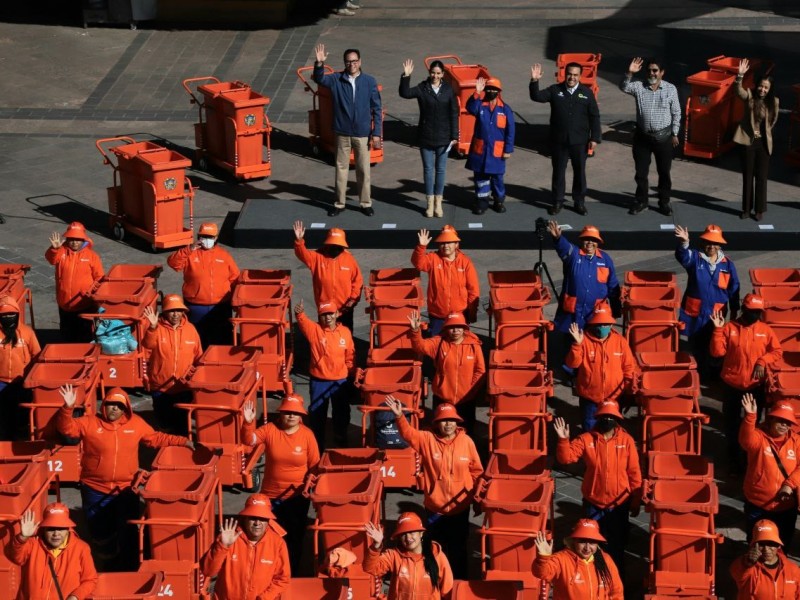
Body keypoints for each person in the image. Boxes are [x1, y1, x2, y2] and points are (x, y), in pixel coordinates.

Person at [56, 385, 194, 569]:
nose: (113, 408)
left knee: (128, 530)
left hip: (125, 489)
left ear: (125, 409)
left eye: (118, 406)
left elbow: (156, 438)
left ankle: (130, 567)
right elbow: (67, 429)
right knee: (100, 533)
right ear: (103, 405)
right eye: (110, 404)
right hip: (94, 489)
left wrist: (183, 441)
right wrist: (67, 408)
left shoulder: (136, 424)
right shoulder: (89, 423)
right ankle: (107, 562)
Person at [385, 397, 482, 579]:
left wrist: (474, 499)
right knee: (435, 549)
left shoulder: (467, 442)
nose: (448, 424)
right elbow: (408, 434)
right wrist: (399, 416)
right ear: (437, 423)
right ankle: (435, 584)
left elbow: (477, 472)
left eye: (452, 420)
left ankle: (459, 584)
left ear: (457, 422)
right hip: (435, 509)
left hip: (460, 509)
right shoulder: (427, 439)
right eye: (444, 420)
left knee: (459, 549)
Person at [554, 400, 642, 574]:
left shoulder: (627, 441)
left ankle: (616, 578)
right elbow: (566, 458)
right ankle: (592, 577)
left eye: (611, 416)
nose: (607, 419)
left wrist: (636, 501)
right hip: (594, 503)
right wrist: (563, 439)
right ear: (597, 418)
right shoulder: (586, 439)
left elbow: (634, 473)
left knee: (617, 545)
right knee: (589, 546)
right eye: (604, 416)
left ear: (617, 419)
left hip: (619, 504)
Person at [241, 394, 319, 574]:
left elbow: (315, 465)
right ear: (281, 413)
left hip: (297, 496)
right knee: (269, 536)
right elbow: (249, 440)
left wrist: (309, 483)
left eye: (295, 412)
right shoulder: (270, 429)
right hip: (271, 497)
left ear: (300, 416)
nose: (291, 415)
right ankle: (269, 571)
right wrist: (248, 423)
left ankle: (292, 571)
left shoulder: (307, 435)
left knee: (294, 536)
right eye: (287, 412)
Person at [711, 294, 782, 472]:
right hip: (732, 386)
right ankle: (734, 458)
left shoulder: (765, 330)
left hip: (755, 387)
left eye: (758, 312)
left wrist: (762, 361)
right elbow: (716, 353)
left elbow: (777, 351)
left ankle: (749, 456)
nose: (755, 316)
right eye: (752, 312)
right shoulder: (729, 328)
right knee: (731, 423)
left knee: (753, 425)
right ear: (744, 310)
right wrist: (717, 330)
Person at [313, 44, 383, 217]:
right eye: (348, 61)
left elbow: (377, 109)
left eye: (354, 61)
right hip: (342, 132)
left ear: (360, 62)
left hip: (362, 133)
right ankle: (339, 203)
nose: (351, 64)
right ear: (344, 63)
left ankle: (365, 203)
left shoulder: (369, 81)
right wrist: (319, 64)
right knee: (341, 168)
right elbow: (319, 79)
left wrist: (376, 134)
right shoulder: (336, 79)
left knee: (363, 170)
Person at [548, 221, 621, 378]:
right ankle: (570, 372)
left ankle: (587, 371)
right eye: (587, 239)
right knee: (570, 343)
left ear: (598, 242)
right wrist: (558, 238)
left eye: (593, 240)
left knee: (591, 344)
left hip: (594, 313)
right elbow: (563, 247)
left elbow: (612, 283)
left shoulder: (606, 259)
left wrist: (616, 306)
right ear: (581, 240)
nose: (590, 243)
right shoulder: (573, 255)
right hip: (573, 311)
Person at [530, 62, 601, 216]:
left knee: (579, 172)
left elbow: (594, 116)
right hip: (559, 141)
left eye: (575, 75)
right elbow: (536, 96)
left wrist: (595, 138)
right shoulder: (555, 90)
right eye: (569, 74)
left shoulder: (587, 93)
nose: (572, 77)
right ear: (565, 74)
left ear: (580, 76)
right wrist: (534, 81)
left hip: (579, 142)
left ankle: (579, 202)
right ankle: (557, 201)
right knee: (558, 172)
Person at [674, 224, 740, 382]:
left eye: (715, 243)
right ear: (703, 243)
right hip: (695, 313)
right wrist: (684, 243)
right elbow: (682, 256)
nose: (712, 246)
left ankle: (714, 373)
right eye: (708, 242)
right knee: (696, 345)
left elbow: (734, 288)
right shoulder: (695, 258)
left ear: (720, 245)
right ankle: (699, 375)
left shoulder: (728, 265)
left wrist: (734, 309)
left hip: (716, 315)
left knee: (716, 345)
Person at [619, 57, 682, 216]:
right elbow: (624, 87)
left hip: (664, 138)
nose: (652, 73)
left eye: (655, 70)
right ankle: (641, 201)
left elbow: (676, 112)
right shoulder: (639, 87)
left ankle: (664, 202)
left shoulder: (670, 89)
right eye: (649, 70)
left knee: (664, 173)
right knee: (641, 173)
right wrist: (629, 73)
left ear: (662, 73)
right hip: (642, 138)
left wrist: (675, 132)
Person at [399, 58, 459, 218]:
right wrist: (406, 76)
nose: (435, 75)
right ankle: (429, 203)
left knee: (440, 170)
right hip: (426, 136)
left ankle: (438, 203)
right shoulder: (422, 88)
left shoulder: (448, 90)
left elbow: (454, 113)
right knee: (428, 170)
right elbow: (405, 93)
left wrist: (455, 135)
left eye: (438, 73)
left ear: (443, 74)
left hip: (444, 137)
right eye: (433, 72)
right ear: (429, 73)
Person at [408, 309, 485, 433]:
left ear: (464, 328)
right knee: (441, 432)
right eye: (452, 327)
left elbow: (480, 371)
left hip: (466, 400)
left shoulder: (474, 345)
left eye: (459, 327)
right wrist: (415, 331)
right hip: (442, 398)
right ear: (446, 328)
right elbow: (419, 347)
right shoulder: (438, 342)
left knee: (467, 432)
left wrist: (470, 390)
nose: (455, 331)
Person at [739, 393, 800, 550]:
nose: (784, 425)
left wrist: (789, 485)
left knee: (783, 542)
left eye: (787, 422)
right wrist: (750, 416)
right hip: (758, 504)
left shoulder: (797, 442)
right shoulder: (759, 437)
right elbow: (745, 441)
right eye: (780, 420)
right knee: (755, 542)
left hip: (786, 506)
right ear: (771, 419)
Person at [201, 493, 290, 600]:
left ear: (269, 520)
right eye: (253, 518)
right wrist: (223, 546)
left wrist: (265, 598)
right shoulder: (228, 537)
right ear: (245, 518)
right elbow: (208, 571)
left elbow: (282, 579)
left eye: (262, 518)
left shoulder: (278, 543)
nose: (257, 523)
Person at [293, 299, 355, 449]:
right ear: (319, 316)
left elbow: (350, 356)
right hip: (319, 381)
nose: (328, 317)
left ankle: (340, 437)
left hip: (340, 381)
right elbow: (302, 320)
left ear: (337, 314)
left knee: (341, 412)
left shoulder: (345, 332)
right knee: (317, 413)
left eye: (330, 314)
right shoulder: (314, 330)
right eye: (324, 314)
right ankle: (316, 443)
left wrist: (350, 374)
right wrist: (299, 312)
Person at [566, 303, 637, 432]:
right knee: (590, 430)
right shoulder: (583, 340)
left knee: (612, 431)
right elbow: (572, 364)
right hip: (590, 398)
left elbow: (629, 367)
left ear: (611, 324)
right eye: (599, 324)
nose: (602, 327)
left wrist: (627, 390)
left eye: (605, 324)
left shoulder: (620, 341)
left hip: (615, 398)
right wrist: (577, 344)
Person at [167, 222, 239, 348]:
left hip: (220, 306)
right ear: (198, 237)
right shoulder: (190, 254)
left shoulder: (224, 256)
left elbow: (235, 278)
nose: (207, 240)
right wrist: (189, 249)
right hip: (195, 307)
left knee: (221, 339)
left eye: (210, 237)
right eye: (203, 236)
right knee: (197, 339)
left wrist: (235, 301)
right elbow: (173, 263)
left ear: (216, 238)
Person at [7, 503, 98, 600]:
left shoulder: (81, 548)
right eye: (51, 529)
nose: (56, 534)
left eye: (61, 528)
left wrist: (75, 596)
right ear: (43, 529)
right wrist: (22, 537)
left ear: (68, 529)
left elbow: (90, 580)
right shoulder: (32, 543)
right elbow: (15, 557)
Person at [142, 294, 203, 434]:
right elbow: (147, 344)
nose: (175, 314)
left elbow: (198, 356)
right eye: (171, 310)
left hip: (183, 388)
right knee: (164, 425)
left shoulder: (191, 330)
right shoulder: (156, 329)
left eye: (178, 310)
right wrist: (152, 327)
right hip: (160, 387)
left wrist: (193, 377)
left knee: (182, 426)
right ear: (164, 312)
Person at [363, 512, 454, 599]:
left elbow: (448, 591)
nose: (408, 538)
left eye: (411, 532)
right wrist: (376, 545)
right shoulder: (394, 555)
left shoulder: (437, 556)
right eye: (403, 534)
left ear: (421, 534)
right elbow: (370, 568)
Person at [293, 221, 363, 331]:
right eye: (333, 245)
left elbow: (357, 281)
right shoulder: (317, 257)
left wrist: (352, 300)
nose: (336, 248)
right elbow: (302, 254)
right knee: (325, 338)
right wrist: (299, 241)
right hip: (325, 310)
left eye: (339, 246)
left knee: (346, 336)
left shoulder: (349, 259)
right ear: (327, 244)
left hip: (345, 309)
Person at [411, 225, 480, 337]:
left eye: (449, 242)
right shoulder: (433, 258)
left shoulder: (466, 262)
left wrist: (472, 313)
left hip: (459, 315)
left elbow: (473, 291)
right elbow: (418, 263)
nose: (445, 245)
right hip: (437, 315)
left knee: (457, 345)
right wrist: (421, 246)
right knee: (437, 345)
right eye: (442, 243)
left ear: (456, 244)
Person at [733, 58, 780, 221]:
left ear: (770, 89)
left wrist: (764, 133)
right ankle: (746, 209)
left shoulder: (774, 102)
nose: (762, 89)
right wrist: (739, 76)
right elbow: (738, 91)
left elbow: (773, 121)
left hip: (763, 144)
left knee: (761, 177)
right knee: (748, 175)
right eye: (761, 86)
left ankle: (759, 210)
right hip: (748, 141)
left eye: (766, 87)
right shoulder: (750, 96)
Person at [532, 518, 624, 599]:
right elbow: (542, 573)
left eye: (592, 542)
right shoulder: (561, 559)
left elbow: (616, 591)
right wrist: (543, 558)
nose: (587, 548)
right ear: (574, 541)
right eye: (582, 542)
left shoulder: (606, 559)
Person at [45, 221, 104, 343]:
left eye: (78, 239)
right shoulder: (60, 252)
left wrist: (89, 292)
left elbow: (100, 278)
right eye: (71, 239)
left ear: (83, 239)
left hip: (85, 304)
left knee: (85, 336)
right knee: (67, 335)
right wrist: (54, 249)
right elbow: (51, 259)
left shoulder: (92, 256)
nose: (74, 242)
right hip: (64, 304)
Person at [465, 76, 515, 215]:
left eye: (494, 89)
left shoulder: (505, 109)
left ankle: (498, 201)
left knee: (498, 178)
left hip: (497, 152)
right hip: (481, 151)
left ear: (498, 91)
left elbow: (510, 131)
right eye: (489, 89)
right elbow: (469, 108)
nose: (491, 91)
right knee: (481, 178)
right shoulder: (480, 105)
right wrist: (477, 92)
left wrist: (508, 149)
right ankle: (482, 202)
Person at [0, 295, 40, 440]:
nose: (8, 317)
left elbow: (37, 355)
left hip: (23, 383)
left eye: (12, 314)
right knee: (3, 416)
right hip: (1, 383)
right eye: (4, 315)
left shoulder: (27, 332)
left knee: (22, 416)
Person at [730, 518, 800, 599]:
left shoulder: (793, 570)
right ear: (753, 546)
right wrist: (747, 562)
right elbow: (736, 572)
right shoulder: (748, 568)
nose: (766, 549)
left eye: (771, 544)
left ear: (778, 545)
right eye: (761, 544)